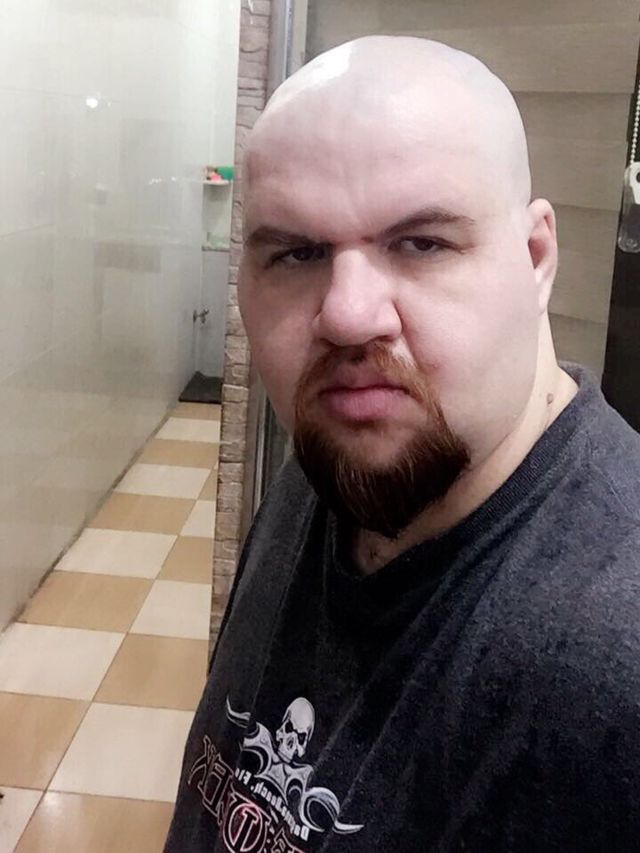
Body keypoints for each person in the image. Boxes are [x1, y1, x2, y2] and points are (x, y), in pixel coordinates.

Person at [165, 36, 640, 852]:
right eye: (298, 253)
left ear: (536, 259)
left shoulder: (614, 665)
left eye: (422, 243)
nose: (348, 316)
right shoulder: (337, 464)